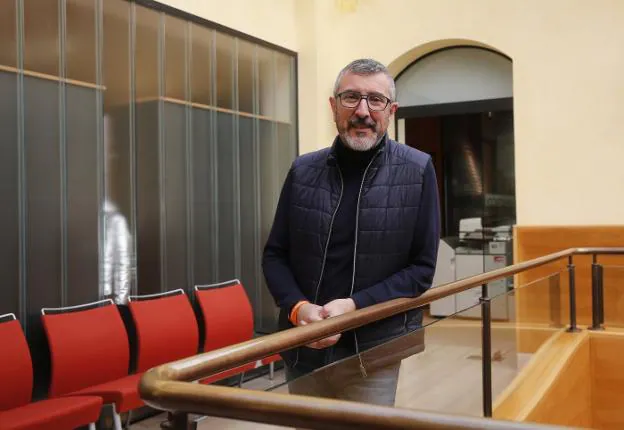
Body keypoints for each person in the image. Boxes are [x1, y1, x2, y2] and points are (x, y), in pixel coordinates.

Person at [262, 58, 440, 406]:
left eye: (376, 100)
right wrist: (297, 308)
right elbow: (275, 255)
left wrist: (355, 306)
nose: (363, 111)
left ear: (391, 111)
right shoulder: (302, 170)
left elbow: (421, 271)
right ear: (333, 106)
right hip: (303, 347)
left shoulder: (418, 170)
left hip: (373, 352)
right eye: (350, 97)